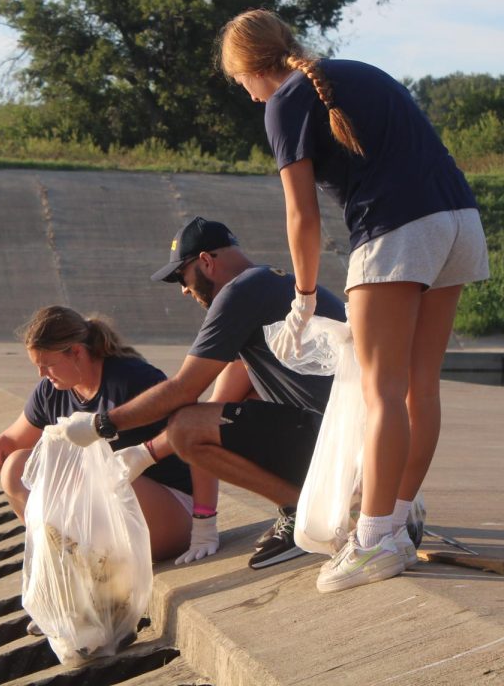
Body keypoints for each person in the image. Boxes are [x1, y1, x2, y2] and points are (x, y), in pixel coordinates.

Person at [217, 8, 490, 593]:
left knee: (381, 390)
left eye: (238, 82)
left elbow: (302, 216)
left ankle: (373, 541)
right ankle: (399, 516)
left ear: (247, 69)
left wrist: (305, 296)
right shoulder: (356, 71)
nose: (244, 93)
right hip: (460, 222)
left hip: (397, 232)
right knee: (421, 385)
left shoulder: (284, 100)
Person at [58, 216, 348, 570]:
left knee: (185, 427)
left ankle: (303, 511)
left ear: (207, 262)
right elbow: (217, 407)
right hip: (344, 442)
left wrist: (102, 424)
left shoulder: (239, 292)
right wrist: (148, 453)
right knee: (219, 413)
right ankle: (311, 505)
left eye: (182, 276)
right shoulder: (270, 286)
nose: (182, 289)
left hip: (334, 443)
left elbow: (184, 390)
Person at [0, 305, 213, 565]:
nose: (41, 374)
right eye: (36, 365)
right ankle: (62, 569)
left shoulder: (132, 380)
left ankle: (82, 573)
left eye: (47, 364)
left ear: (76, 352)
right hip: (106, 510)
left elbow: (195, 432)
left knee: (88, 472)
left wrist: (204, 523)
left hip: (171, 510)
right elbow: (11, 441)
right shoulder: (51, 391)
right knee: (16, 468)